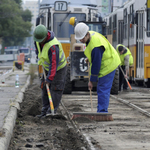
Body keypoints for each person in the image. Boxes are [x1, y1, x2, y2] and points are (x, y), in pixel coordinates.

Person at [74, 22, 121, 112]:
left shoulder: (96, 46)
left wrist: (91, 81)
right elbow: (95, 56)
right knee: (102, 88)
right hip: (107, 60)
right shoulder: (91, 35)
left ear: (87, 35)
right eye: (79, 39)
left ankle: (102, 112)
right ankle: (101, 110)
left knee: (103, 89)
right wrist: (90, 58)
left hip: (109, 64)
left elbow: (96, 65)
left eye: (82, 38)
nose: (81, 40)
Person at [33, 24, 67, 118]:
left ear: (45, 36)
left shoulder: (53, 46)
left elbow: (54, 64)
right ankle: (44, 112)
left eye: (41, 40)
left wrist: (49, 79)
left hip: (59, 69)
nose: (39, 42)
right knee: (44, 88)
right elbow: (38, 51)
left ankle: (51, 112)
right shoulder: (37, 40)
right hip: (47, 67)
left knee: (55, 89)